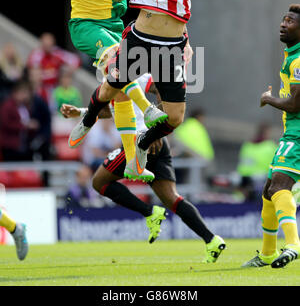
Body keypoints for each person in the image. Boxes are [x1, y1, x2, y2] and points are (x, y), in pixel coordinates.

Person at [37, 0, 167, 181]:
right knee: (121, 63)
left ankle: (132, 161)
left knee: (119, 91)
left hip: (115, 27)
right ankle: (147, 108)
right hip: (85, 26)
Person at [68, 0, 197, 183]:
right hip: (142, 40)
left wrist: (186, 40)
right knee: (110, 88)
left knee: (175, 117)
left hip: (172, 47)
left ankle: (140, 142)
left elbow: (181, 4)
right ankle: (89, 117)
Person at [60, 74, 226, 263]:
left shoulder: (133, 74)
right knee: (171, 198)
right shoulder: (111, 80)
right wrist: (81, 112)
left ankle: (150, 212)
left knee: (99, 182)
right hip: (157, 142)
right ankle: (212, 240)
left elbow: (161, 88)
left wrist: (156, 128)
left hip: (139, 142)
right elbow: (110, 110)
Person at [243, 4, 300, 269]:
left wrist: (269, 99)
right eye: (283, 19)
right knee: (269, 192)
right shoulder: (292, 55)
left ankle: (293, 244)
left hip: (297, 132)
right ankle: (267, 253)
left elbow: (295, 104)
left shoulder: (298, 60)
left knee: (278, 186)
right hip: (293, 131)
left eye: (290, 21)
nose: (283, 24)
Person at [27, 32, 81, 104]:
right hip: (40, 88)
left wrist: (69, 69)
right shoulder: (36, 55)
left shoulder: (57, 53)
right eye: (45, 44)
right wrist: (47, 74)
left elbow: (75, 59)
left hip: (55, 89)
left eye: (49, 44)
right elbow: (33, 74)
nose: (47, 46)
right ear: (41, 43)